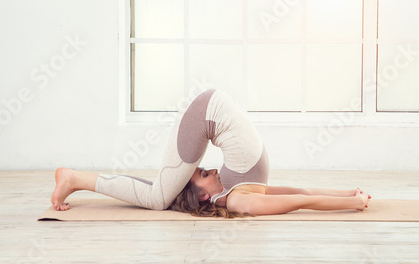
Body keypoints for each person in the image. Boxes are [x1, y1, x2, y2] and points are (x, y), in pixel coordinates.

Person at [51, 89, 371, 218]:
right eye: (205, 173)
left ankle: (75, 178)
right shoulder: (237, 198)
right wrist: (349, 198)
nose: (214, 170)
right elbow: (301, 197)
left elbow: (302, 197)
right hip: (212, 110)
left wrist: (351, 201)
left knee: (159, 198)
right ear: (204, 197)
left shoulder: (233, 189)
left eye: (204, 170)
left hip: (209, 111)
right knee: (159, 198)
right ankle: (73, 177)